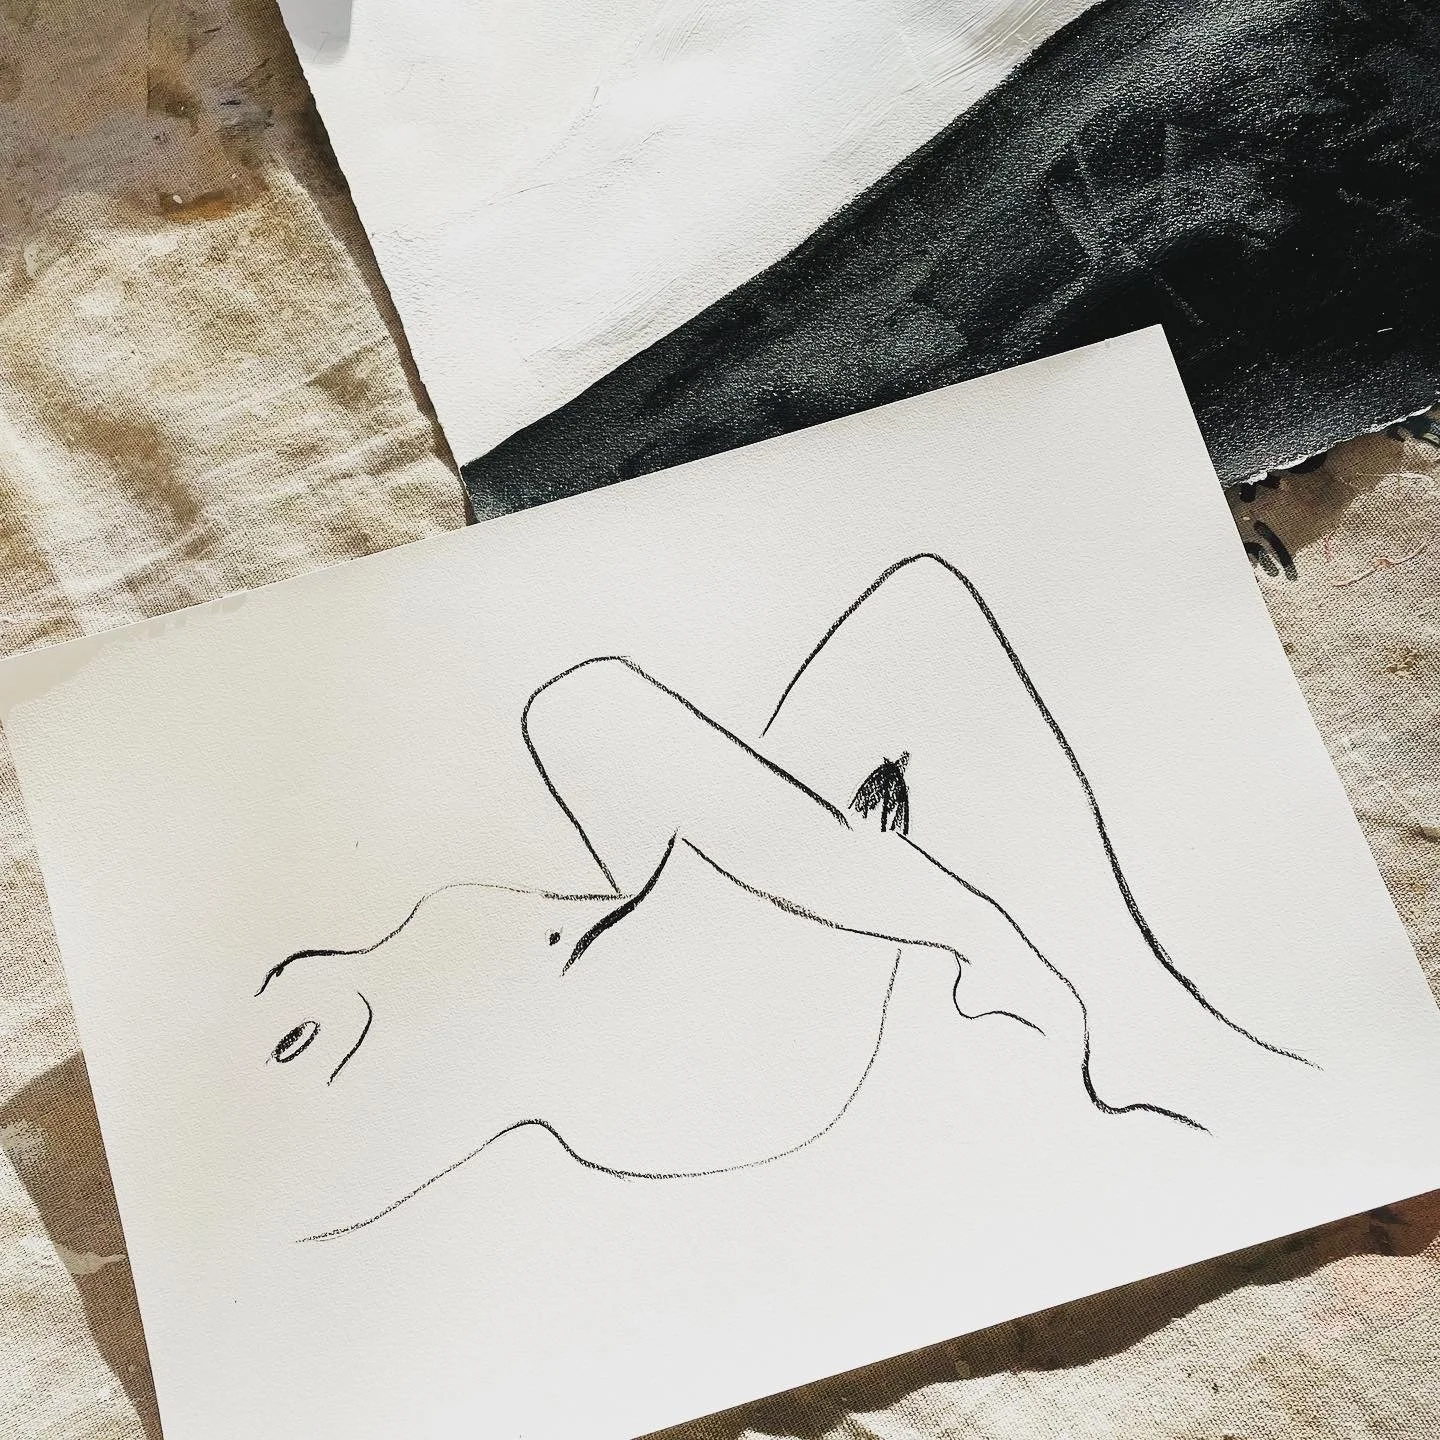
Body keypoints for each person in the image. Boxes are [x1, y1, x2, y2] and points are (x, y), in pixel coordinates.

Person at [255, 555, 1311, 1242]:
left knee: (903, 634)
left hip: (648, 996)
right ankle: (1109, 1005)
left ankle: (1080, 985)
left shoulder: (343, 1024)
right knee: (586, 709)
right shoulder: (328, 1096)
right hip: (659, 1052)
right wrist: (965, 926)